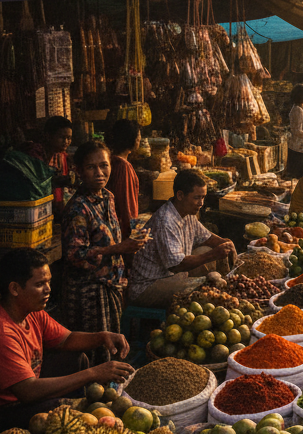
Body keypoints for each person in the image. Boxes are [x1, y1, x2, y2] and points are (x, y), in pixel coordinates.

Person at [0, 248, 135, 434]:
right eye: (39, 284)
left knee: (77, 359)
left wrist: (101, 336)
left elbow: (67, 340)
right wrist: (93, 373)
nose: (48, 289)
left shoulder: (31, 312)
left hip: (15, 396)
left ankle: (73, 424)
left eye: (48, 282)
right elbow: (28, 391)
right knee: (57, 410)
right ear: (14, 289)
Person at [60, 141, 144, 350]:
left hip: (111, 286)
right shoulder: (78, 208)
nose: (99, 172)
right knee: (94, 353)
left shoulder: (108, 197)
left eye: (104, 165)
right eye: (91, 167)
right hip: (88, 296)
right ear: (79, 171)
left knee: (112, 349)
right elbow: (75, 255)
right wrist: (119, 248)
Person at [127, 169, 237, 307]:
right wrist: (213, 254)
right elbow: (178, 265)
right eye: (197, 197)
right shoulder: (165, 221)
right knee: (203, 291)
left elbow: (207, 238)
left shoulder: (188, 213)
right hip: (149, 286)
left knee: (205, 249)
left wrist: (225, 242)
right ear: (180, 195)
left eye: (203, 197)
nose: (201, 203)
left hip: (172, 275)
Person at [24, 115, 73, 218]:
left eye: (69, 138)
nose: (66, 142)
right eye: (62, 137)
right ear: (48, 136)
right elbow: (38, 182)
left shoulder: (60, 155)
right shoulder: (35, 153)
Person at [106, 118, 141, 239]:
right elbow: (127, 205)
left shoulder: (110, 160)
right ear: (133, 139)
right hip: (121, 231)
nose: (140, 140)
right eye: (138, 136)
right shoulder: (123, 167)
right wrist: (134, 233)